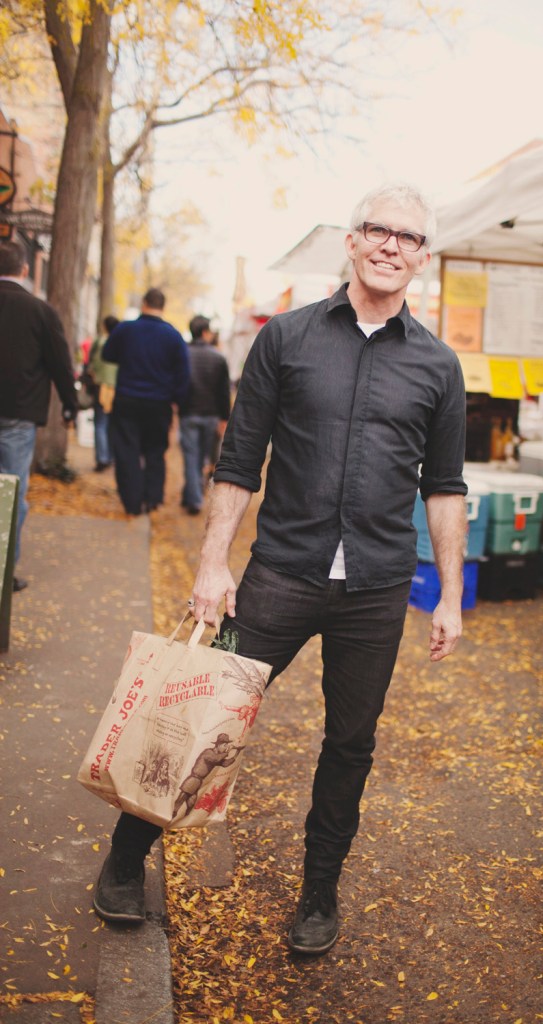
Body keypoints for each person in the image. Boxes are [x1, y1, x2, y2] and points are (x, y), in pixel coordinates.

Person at [92, 184, 468, 955]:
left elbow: (445, 487)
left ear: (423, 257)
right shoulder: (287, 339)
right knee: (203, 712)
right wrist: (212, 564)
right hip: (279, 575)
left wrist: (451, 597)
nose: (391, 245)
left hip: (374, 589)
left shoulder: (438, 366)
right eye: (378, 230)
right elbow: (238, 459)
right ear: (353, 240)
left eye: (409, 237)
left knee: (350, 745)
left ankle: (319, 897)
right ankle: (126, 859)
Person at [0, 239, 78, 592]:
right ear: (26, 270)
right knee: (12, 493)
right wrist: (69, 404)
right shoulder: (40, 311)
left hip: (19, 415)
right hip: (18, 415)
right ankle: (3, 572)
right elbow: (61, 363)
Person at [103, 288, 190, 515]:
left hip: (128, 399)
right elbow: (183, 375)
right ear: (163, 306)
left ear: (143, 303)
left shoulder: (126, 329)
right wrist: (177, 403)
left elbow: (108, 354)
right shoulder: (173, 336)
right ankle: (152, 498)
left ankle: (132, 501)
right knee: (155, 450)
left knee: (127, 450)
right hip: (159, 404)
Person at [179, 315, 231, 515]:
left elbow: (179, 384)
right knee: (202, 457)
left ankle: (192, 497)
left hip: (189, 413)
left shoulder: (183, 353)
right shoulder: (218, 358)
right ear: (205, 332)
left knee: (191, 457)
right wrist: (224, 418)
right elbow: (223, 391)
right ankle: (194, 497)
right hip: (211, 415)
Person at [84, 314, 119, 471]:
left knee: (100, 423)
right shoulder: (121, 344)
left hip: (100, 386)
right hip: (117, 389)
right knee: (112, 424)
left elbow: (91, 364)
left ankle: (102, 458)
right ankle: (110, 456)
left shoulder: (99, 342)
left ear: (105, 326)